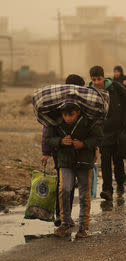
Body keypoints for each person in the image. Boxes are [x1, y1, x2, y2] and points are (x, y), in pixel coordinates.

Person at [45, 103, 103, 238]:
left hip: (84, 162)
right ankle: (65, 222)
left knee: (84, 194)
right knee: (64, 189)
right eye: (64, 115)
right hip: (65, 161)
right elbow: (48, 139)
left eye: (70, 115)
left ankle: (84, 226)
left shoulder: (89, 122)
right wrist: (60, 141)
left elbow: (98, 138)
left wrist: (83, 144)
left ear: (77, 112)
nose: (67, 118)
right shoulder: (55, 122)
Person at [41, 74, 85, 227]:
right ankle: (61, 216)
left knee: (67, 184)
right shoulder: (58, 105)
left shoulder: (80, 105)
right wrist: (46, 152)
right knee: (65, 184)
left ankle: (64, 215)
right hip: (59, 151)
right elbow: (48, 129)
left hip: (76, 151)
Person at [89, 66, 126, 201]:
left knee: (118, 160)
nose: (96, 82)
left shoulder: (115, 87)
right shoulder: (90, 91)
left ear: (104, 77)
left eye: (99, 79)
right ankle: (107, 190)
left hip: (119, 130)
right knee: (105, 162)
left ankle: (120, 183)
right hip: (102, 133)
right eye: (94, 79)